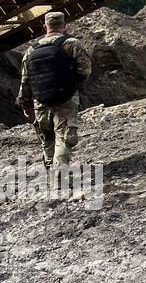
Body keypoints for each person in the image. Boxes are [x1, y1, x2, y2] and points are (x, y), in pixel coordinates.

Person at [17, 11, 92, 167]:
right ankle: (60, 171)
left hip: (40, 101)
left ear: (45, 27)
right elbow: (85, 70)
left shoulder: (31, 50)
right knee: (64, 137)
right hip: (65, 99)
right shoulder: (72, 44)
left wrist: (26, 104)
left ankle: (51, 169)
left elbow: (25, 80)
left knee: (47, 139)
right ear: (64, 26)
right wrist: (73, 84)